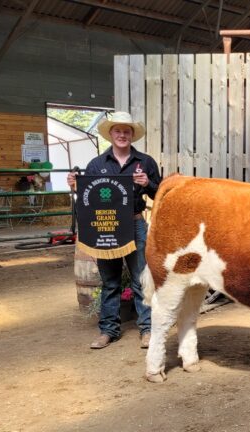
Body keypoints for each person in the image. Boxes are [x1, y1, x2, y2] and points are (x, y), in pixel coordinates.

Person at [68, 111, 161, 350]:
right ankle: (108, 331)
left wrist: (147, 184)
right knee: (110, 281)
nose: (122, 135)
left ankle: (147, 329)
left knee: (141, 279)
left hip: (135, 223)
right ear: (111, 134)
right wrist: (75, 186)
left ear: (132, 135)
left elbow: (158, 193)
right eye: (118, 131)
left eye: (126, 131)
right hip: (105, 226)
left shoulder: (146, 162)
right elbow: (89, 196)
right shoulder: (96, 164)